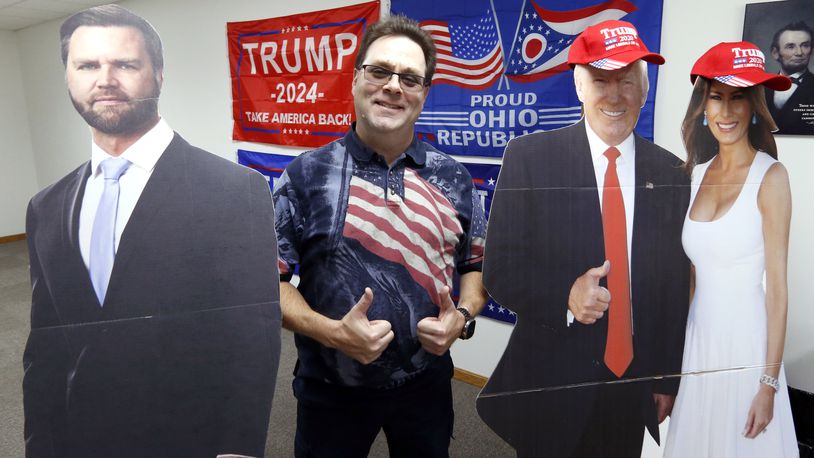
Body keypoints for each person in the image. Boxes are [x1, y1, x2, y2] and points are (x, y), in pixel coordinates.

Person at [23, 5, 281, 458]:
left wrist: (238, 450)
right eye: (87, 65)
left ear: (159, 74)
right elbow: (45, 347)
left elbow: (251, 336)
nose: (105, 79)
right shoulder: (46, 207)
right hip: (80, 439)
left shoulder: (233, 189)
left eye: (124, 64)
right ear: (68, 76)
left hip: (187, 439)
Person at [272, 15, 488, 458]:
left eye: (410, 78)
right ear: (355, 80)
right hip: (330, 388)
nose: (393, 86)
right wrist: (331, 332)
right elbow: (267, 284)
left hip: (426, 387)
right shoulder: (304, 176)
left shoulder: (456, 180)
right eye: (380, 71)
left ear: (424, 94)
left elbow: (476, 268)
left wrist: (461, 317)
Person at [476, 20, 691, 457]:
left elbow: (672, 288)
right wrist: (566, 296)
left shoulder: (671, 174)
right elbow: (499, 270)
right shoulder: (529, 158)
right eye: (600, 80)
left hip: (630, 388)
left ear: (644, 90)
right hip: (549, 384)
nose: (614, 96)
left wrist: (667, 378)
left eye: (627, 81)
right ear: (579, 87)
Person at [664, 41, 798, 457]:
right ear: (702, 107)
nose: (726, 111)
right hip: (698, 343)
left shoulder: (770, 177)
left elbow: (777, 292)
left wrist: (768, 384)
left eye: (737, 98)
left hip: (746, 350)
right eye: (716, 97)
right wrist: (673, 366)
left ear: (754, 105)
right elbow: (690, 278)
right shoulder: (695, 174)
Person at [764, 21, 814, 134]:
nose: (799, 52)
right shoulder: (761, 88)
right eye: (790, 46)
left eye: (805, 45)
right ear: (775, 53)